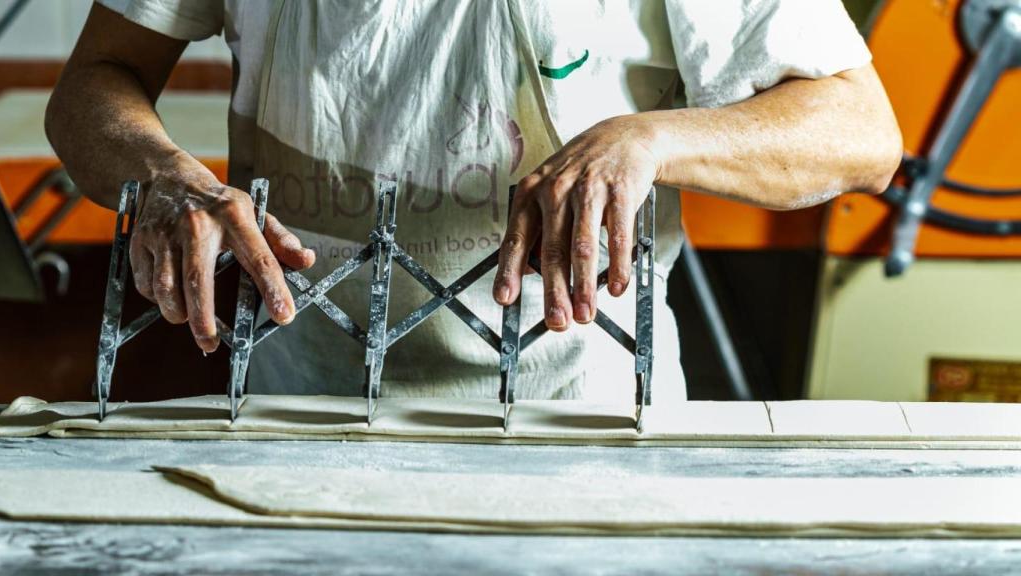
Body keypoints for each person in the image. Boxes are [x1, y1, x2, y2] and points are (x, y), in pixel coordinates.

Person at [46, 1, 901, 406]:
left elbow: (861, 131)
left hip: (581, 436)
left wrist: (653, 139)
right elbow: (94, 81)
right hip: (293, 427)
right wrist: (162, 170)